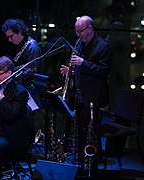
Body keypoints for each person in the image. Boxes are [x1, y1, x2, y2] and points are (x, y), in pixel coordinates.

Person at [60, 15, 112, 175]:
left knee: (90, 132)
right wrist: (71, 70)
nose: (78, 35)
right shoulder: (79, 43)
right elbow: (80, 68)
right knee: (81, 132)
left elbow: (103, 71)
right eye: (76, 31)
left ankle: (93, 167)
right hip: (79, 95)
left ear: (89, 28)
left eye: (80, 31)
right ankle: (83, 164)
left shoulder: (104, 46)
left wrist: (83, 63)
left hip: (94, 96)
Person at [2, 18, 42, 143]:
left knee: (24, 121)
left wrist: (11, 75)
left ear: (19, 32)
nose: (9, 40)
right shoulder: (19, 45)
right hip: (18, 87)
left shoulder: (32, 47)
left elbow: (32, 70)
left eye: (11, 36)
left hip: (27, 89)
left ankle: (25, 148)